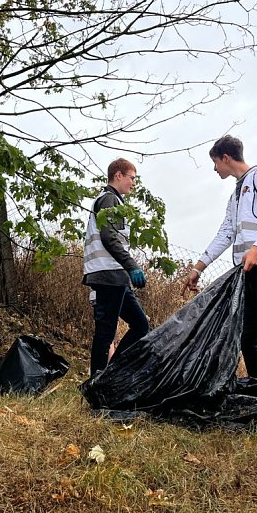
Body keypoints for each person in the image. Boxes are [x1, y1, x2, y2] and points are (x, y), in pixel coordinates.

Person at [182, 135, 257, 396]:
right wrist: (198, 267)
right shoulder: (236, 195)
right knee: (247, 334)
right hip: (247, 269)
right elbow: (226, 232)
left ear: (226, 158)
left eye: (215, 163)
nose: (215, 169)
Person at [83, 159, 149, 376]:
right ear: (118, 175)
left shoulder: (116, 202)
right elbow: (109, 237)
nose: (134, 183)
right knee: (105, 332)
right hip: (107, 274)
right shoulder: (109, 199)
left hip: (115, 276)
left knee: (140, 324)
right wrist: (132, 266)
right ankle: (98, 383)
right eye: (132, 178)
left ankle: (112, 374)